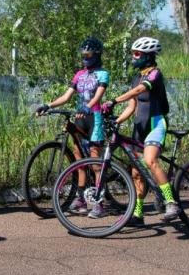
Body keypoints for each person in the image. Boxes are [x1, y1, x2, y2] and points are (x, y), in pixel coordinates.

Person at [101, 36, 179, 226]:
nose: (133, 57)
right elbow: (132, 105)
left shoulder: (155, 74)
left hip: (156, 124)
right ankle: (138, 214)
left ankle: (171, 203)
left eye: (137, 54)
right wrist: (116, 120)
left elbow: (138, 91)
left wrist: (113, 101)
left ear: (148, 56)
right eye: (133, 54)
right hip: (139, 126)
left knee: (150, 160)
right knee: (136, 173)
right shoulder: (136, 76)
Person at [35, 36, 109, 217]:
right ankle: (81, 199)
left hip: (95, 118)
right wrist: (49, 105)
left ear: (96, 55)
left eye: (89, 54)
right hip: (80, 117)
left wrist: (88, 106)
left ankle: (100, 203)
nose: (85, 57)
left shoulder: (103, 73)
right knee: (78, 160)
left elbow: (98, 96)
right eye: (83, 54)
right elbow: (66, 96)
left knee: (95, 162)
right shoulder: (79, 74)